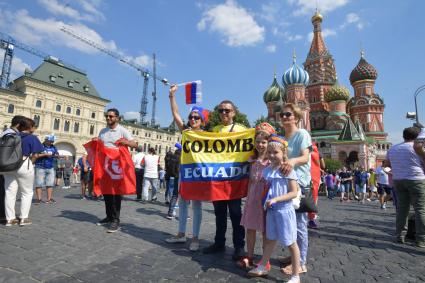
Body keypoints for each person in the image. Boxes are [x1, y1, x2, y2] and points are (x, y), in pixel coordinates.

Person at [248, 135, 301, 283]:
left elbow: (293, 192)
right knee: (270, 239)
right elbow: (267, 189)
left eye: (275, 152)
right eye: (269, 152)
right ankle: (263, 266)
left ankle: (296, 275)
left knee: (291, 243)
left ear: (284, 153)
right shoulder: (268, 171)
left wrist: (276, 199)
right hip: (271, 211)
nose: (271, 155)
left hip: (284, 211)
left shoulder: (287, 170)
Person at [165, 84, 208, 251]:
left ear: (202, 121)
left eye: (196, 118)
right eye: (191, 117)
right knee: (182, 202)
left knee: (196, 205)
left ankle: (195, 238)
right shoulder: (186, 132)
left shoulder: (206, 136)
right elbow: (176, 114)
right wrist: (172, 96)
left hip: (198, 174)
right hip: (185, 172)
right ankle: (181, 234)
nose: (193, 120)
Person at [202, 100, 246, 260]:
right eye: (221, 110)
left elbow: (250, 148)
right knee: (219, 213)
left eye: (227, 110)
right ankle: (219, 242)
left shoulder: (241, 129)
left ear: (234, 112)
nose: (223, 113)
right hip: (218, 178)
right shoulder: (215, 130)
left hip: (234, 179)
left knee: (236, 214)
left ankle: (239, 246)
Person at [279, 103, 311, 275]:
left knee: (299, 224)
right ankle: (294, 256)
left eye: (288, 114)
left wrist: (292, 161)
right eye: (282, 115)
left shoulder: (302, 134)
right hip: (286, 183)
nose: (284, 117)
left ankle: (302, 262)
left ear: (297, 117)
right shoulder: (283, 138)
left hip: (300, 183)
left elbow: (306, 157)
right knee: (290, 222)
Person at [238, 123, 274, 269]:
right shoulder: (251, 160)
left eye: (264, 142)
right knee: (250, 228)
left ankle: (265, 259)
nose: (260, 145)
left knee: (266, 229)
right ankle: (250, 256)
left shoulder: (272, 161)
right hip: (252, 197)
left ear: (269, 143)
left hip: (266, 198)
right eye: (258, 141)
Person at [96, 108, 138, 233]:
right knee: (107, 192)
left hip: (117, 166)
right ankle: (109, 216)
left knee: (115, 193)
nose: (108, 118)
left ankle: (115, 220)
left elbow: (135, 145)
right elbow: (100, 146)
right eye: (107, 116)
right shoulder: (103, 131)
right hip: (105, 165)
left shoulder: (122, 131)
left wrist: (126, 142)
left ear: (117, 118)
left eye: (111, 116)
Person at [387, 127, 425, 247]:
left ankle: (400, 235)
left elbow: (387, 165)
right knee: (420, 209)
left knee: (402, 209)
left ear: (404, 136)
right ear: (417, 137)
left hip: (398, 179)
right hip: (416, 179)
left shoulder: (393, 148)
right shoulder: (418, 148)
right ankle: (421, 239)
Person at [3, 118, 44, 226]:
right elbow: (35, 154)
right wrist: (31, 162)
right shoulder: (32, 138)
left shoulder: (10, 136)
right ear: (29, 127)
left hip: (8, 166)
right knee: (27, 192)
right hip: (24, 164)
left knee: (9, 192)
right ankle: (23, 218)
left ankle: (10, 219)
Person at [0, 115, 26, 223]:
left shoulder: (5, 133)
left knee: (6, 191)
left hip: (4, 166)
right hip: (7, 166)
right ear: (19, 125)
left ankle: (5, 215)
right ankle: (3, 215)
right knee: (5, 191)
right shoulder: (12, 135)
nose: (24, 129)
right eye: (23, 126)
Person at [34, 134, 59, 204]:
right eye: (51, 141)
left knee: (50, 184)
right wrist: (45, 154)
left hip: (50, 167)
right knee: (39, 183)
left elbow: (56, 154)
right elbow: (35, 155)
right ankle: (39, 199)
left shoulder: (54, 147)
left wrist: (57, 155)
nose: (52, 142)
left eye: (52, 141)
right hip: (40, 167)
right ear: (46, 140)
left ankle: (49, 199)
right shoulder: (40, 146)